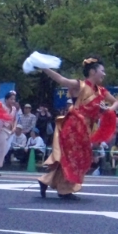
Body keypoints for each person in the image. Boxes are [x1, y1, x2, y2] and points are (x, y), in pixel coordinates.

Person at [38, 56, 118, 199]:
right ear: (93, 71)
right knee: (73, 158)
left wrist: (108, 110)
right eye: (102, 71)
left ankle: (46, 180)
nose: (104, 74)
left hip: (86, 129)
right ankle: (64, 190)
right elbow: (61, 80)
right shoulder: (79, 85)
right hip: (73, 127)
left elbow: (116, 101)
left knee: (74, 158)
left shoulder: (101, 91)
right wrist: (43, 67)